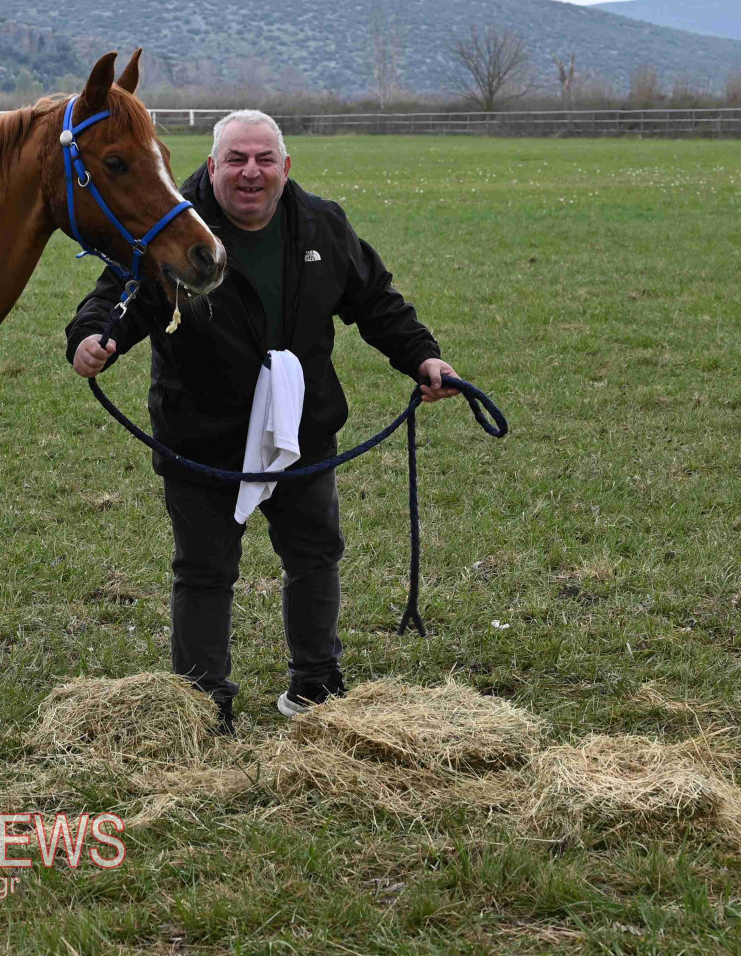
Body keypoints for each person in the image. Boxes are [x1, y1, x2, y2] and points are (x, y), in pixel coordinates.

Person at [64, 110, 460, 731]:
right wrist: (93, 337)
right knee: (204, 565)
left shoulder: (323, 225)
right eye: (237, 160)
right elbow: (121, 294)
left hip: (300, 430)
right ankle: (203, 700)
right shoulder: (176, 224)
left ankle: (317, 685)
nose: (252, 173)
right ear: (213, 165)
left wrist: (423, 357)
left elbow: (375, 302)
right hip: (201, 430)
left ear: (285, 167)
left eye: (264, 160)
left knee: (315, 551)